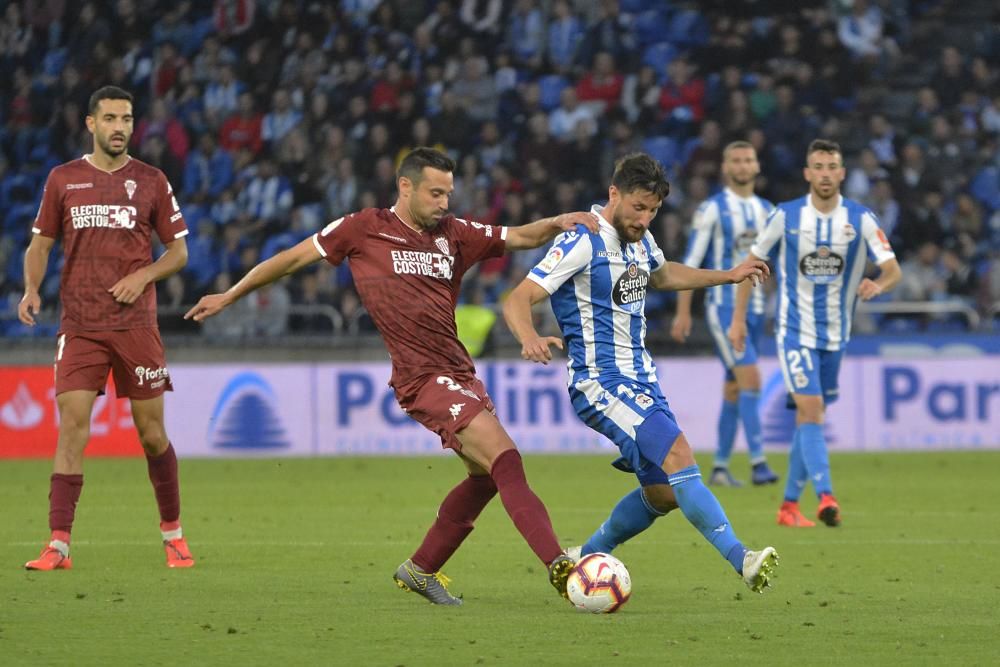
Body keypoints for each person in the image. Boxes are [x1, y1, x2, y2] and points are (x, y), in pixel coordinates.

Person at [184, 147, 599, 605]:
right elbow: (289, 260)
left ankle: (420, 569)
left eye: (449, 193)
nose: (444, 203)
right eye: (435, 193)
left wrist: (559, 221)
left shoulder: (455, 234)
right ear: (406, 186)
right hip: (421, 378)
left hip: (461, 373)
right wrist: (231, 294)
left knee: (484, 477)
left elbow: (519, 235)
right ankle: (559, 565)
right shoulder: (363, 229)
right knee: (505, 458)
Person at [503, 153, 779, 593]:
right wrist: (528, 336)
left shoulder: (641, 241)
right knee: (680, 455)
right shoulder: (581, 241)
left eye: (653, 210)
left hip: (642, 380)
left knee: (664, 493)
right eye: (638, 207)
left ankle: (580, 559)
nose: (645, 218)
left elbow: (665, 276)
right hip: (600, 382)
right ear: (614, 194)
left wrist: (728, 276)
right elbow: (517, 298)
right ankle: (741, 558)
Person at [18, 86, 194, 570]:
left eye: (127, 118)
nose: (120, 127)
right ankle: (58, 544)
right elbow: (40, 245)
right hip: (80, 324)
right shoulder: (64, 180)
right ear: (90, 124)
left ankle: (173, 534)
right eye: (111, 118)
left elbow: (179, 252)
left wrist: (144, 275)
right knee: (72, 429)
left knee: (151, 434)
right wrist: (32, 289)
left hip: (136, 325)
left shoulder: (152, 180)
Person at [728, 139, 901, 528]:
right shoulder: (785, 216)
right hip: (794, 331)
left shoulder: (861, 219)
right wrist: (738, 320)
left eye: (832, 166)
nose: (825, 173)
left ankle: (788, 506)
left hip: (836, 337)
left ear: (842, 173)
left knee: (813, 416)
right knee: (810, 411)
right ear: (808, 173)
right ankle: (826, 496)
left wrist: (879, 285)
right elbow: (750, 265)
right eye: (818, 166)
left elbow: (893, 270)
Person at [670, 141, 780, 487]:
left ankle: (719, 467)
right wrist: (683, 311)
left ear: (758, 166)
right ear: (725, 167)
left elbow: (774, 264)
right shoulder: (713, 209)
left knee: (735, 388)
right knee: (751, 379)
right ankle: (759, 463)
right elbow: (691, 262)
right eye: (736, 160)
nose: (743, 166)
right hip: (723, 308)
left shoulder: (768, 210)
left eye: (748, 159)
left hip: (757, 309)